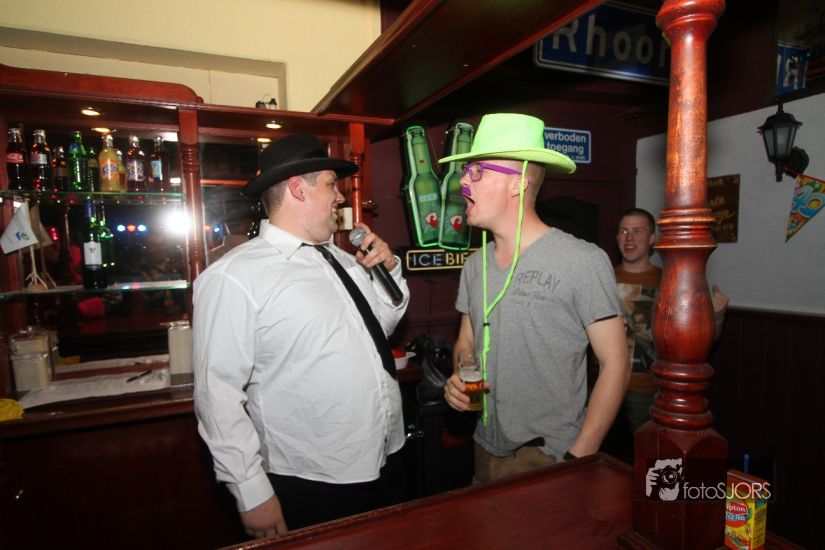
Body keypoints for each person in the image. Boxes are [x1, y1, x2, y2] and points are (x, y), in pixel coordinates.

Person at [192, 133, 410, 538]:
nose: (340, 197)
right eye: (331, 184)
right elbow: (216, 395)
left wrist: (390, 271)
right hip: (312, 478)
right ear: (298, 188)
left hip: (387, 454)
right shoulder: (233, 277)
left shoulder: (346, 261)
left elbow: (380, 330)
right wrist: (251, 491)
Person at [441, 113, 629, 483]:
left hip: (549, 457)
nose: (463, 180)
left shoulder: (582, 260)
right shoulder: (475, 264)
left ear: (519, 183)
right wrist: (461, 375)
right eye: (465, 171)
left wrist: (579, 456)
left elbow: (616, 364)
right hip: (483, 450)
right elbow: (466, 342)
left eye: (477, 171)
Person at [612, 208, 729, 443]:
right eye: (623, 231)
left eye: (638, 231)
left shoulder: (672, 280)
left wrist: (716, 316)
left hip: (649, 392)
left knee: (651, 457)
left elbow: (698, 344)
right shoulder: (602, 277)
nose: (629, 238)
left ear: (652, 239)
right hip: (606, 387)